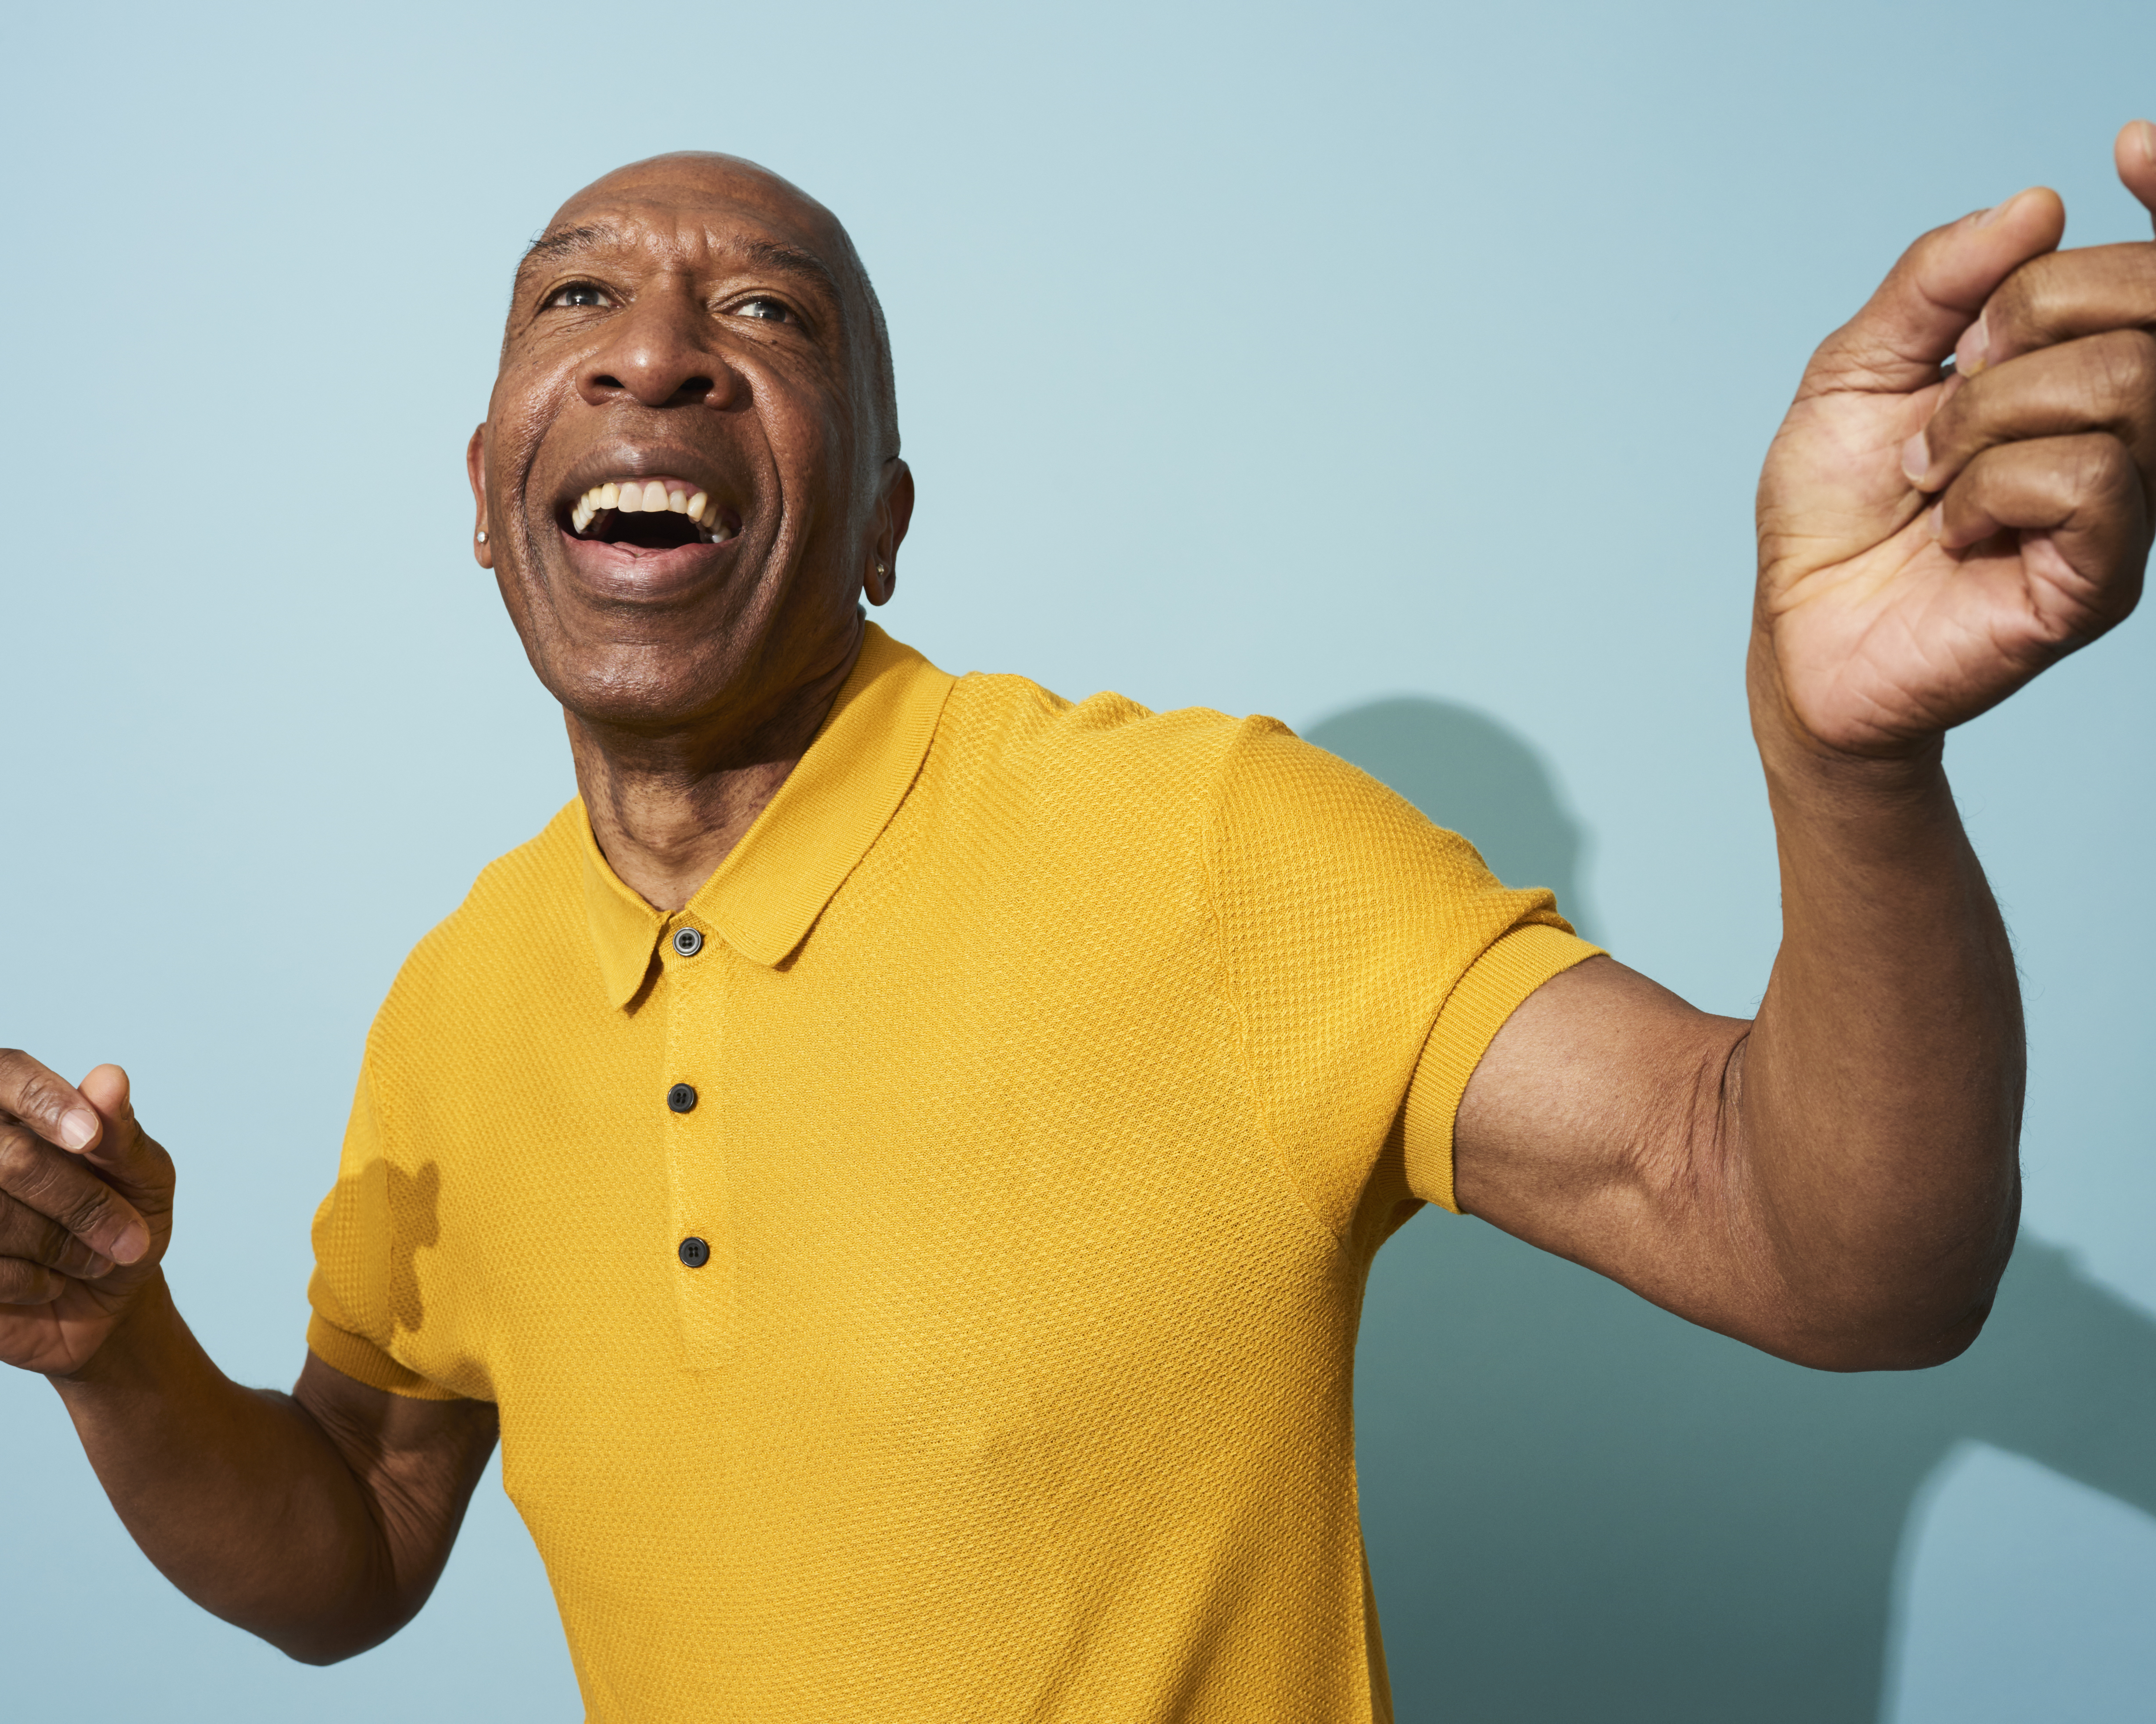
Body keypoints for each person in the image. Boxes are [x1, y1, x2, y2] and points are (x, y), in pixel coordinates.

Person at [1, 129, 2151, 1721]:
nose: (655, 350)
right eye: (576, 298)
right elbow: (356, 1533)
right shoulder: (456, 999)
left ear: (885, 521)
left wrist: (1846, 761)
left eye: (768, 315)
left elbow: (1841, 1257)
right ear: (486, 499)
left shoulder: (1198, 843)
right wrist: (113, 1350)